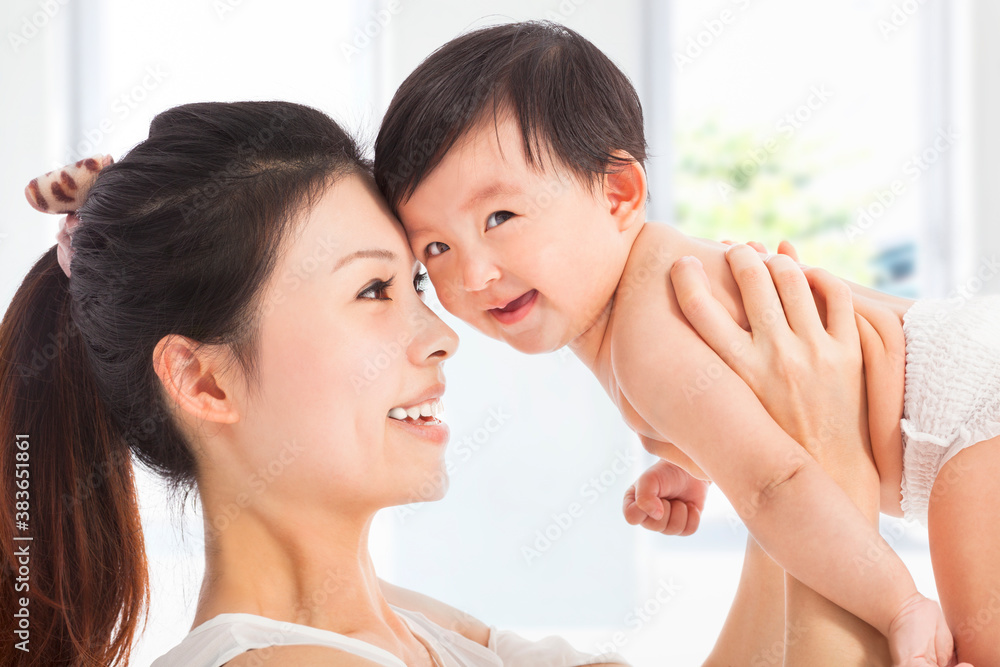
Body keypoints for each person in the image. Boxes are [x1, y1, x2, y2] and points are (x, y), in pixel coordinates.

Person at [1, 100, 906, 667]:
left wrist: (772, 462)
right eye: (372, 290)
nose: (442, 336)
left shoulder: (415, 630)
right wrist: (830, 459)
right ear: (203, 381)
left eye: (418, 284)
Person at [373, 20, 999, 664]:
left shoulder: (644, 340)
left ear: (619, 193)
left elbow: (778, 483)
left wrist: (898, 603)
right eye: (436, 248)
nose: (474, 274)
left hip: (967, 420)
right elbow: (752, 424)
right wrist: (699, 458)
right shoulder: (649, 301)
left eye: (499, 217)